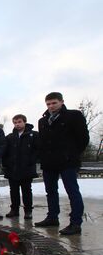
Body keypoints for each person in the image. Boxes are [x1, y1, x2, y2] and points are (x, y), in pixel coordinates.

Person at [35, 92, 89, 235]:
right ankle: (52, 217)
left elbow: (83, 139)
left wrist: (71, 154)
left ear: (61, 102)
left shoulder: (74, 116)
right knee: (50, 191)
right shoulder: (43, 121)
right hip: (49, 162)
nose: (51, 106)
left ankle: (75, 223)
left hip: (67, 162)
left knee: (72, 191)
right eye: (48, 104)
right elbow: (42, 142)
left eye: (54, 103)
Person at [2, 114, 39, 220]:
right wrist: (5, 164)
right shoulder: (10, 137)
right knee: (13, 190)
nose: (17, 124)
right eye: (15, 122)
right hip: (12, 168)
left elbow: (37, 150)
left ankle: (28, 211)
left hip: (27, 168)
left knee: (27, 190)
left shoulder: (34, 135)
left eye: (19, 122)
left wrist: (31, 160)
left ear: (24, 122)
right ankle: (14, 209)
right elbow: (5, 152)